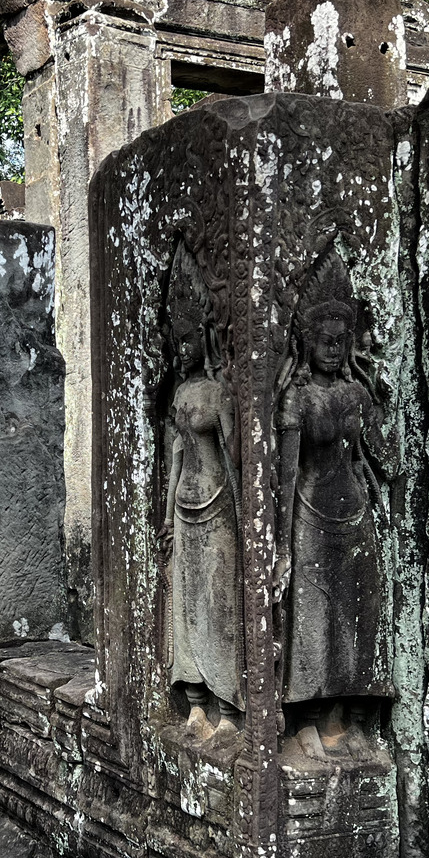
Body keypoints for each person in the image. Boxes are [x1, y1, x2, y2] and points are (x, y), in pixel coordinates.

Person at [273, 248, 388, 758]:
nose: (334, 349)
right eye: (324, 340)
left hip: (355, 512)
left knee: (354, 616)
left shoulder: (357, 396)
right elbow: (286, 470)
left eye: (342, 341)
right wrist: (278, 540)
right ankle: (309, 719)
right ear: (306, 340)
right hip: (309, 513)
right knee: (313, 619)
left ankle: (348, 715)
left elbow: (374, 458)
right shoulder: (297, 399)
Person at [161, 242, 243, 743]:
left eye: (188, 338)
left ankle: (230, 708)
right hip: (187, 509)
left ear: (206, 336)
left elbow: (233, 459)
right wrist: (169, 514)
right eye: (176, 340)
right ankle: (196, 702)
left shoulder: (218, 394)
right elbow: (176, 457)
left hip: (219, 512)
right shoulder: (178, 394)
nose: (181, 348)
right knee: (187, 608)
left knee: (219, 605)